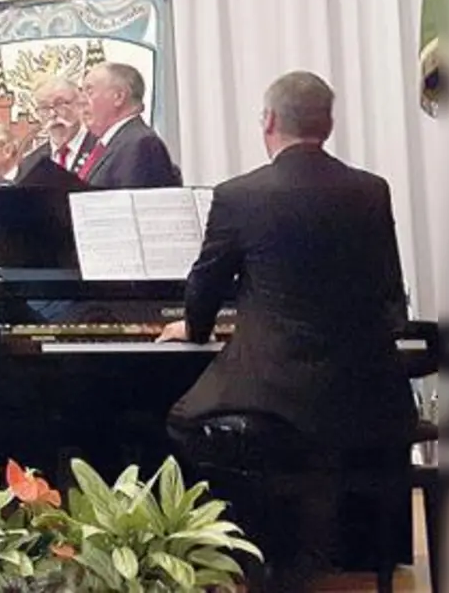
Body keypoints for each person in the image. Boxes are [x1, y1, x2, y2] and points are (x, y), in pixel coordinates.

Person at [157, 72, 415, 589]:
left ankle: (251, 549)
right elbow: (390, 289)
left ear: (269, 121)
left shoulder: (240, 195)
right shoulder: (370, 190)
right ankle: (334, 550)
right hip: (366, 392)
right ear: (329, 123)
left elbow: (204, 285)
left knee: (180, 422)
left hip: (275, 395)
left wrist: (195, 326)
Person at [78, 63, 182, 188]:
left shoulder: (141, 144)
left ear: (119, 97)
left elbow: (135, 203)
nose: (81, 101)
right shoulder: (111, 143)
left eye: (89, 92)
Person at [19, 78, 95, 178]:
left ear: (79, 103)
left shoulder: (101, 149)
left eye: (60, 104)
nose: (52, 114)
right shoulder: (30, 165)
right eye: (44, 107)